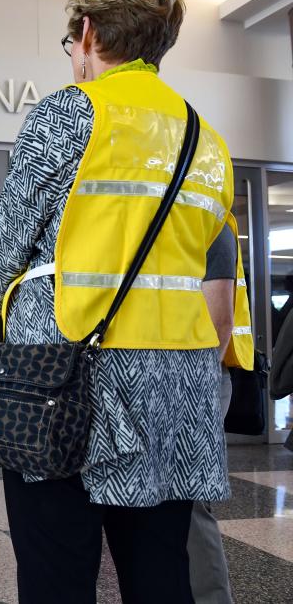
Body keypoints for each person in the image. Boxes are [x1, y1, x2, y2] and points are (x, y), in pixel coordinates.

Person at [0, 0, 253, 603]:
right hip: (177, 387)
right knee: (161, 571)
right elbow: (209, 261)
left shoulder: (66, 116)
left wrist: (8, 304)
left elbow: (2, 260)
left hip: (69, 378)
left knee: (58, 571)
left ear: (88, 30)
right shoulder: (204, 139)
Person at [188, 225, 241, 604]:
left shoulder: (211, 223)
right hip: (175, 380)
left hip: (197, 380)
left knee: (190, 507)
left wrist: (195, 393)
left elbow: (219, 319)